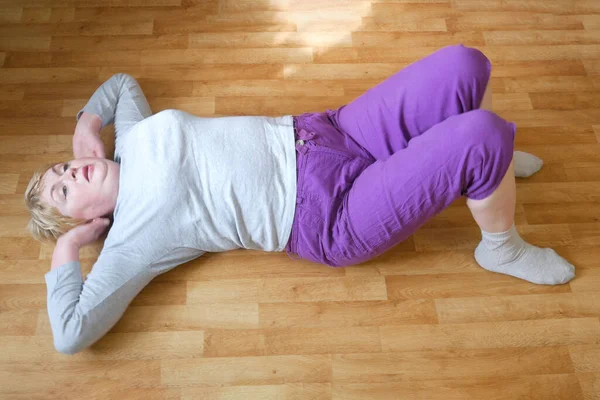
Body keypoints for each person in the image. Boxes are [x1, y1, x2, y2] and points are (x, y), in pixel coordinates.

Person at [25, 44, 575, 355]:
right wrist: (68, 247)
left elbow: (119, 81)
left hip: (328, 133)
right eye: (65, 189)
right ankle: (499, 244)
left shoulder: (134, 134)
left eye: (61, 168)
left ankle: (489, 163)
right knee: (479, 138)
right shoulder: (130, 240)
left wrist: (88, 125)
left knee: (465, 65)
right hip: (330, 215)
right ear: (88, 218)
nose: (71, 170)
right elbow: (71, 333)